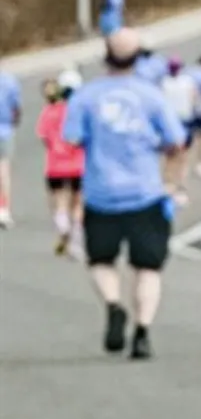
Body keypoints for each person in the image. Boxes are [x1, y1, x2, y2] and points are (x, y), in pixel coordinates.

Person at [63, 29, 187, 359]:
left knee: (101, 260)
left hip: (101, 193)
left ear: (105, 55)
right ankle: (143, 331)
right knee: (148, 267)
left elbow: (72, 138)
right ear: (139, 57)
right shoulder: (151, 96)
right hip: (145, 192)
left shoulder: (85, 97)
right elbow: (176, 140)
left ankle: (114, 305)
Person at [38, 74, 86, 257]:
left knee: (59, 201)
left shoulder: (48, 112)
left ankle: (63, 225)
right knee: (77, 203)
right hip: (77, 164)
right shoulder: (77, 112)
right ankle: (76, 242)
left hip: (55, 165)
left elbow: (44, 138)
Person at [159, 58, 201, 200]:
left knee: (169, 157)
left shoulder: (164, 83)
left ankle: (167, 184)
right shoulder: (187, 82)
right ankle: (181, 186)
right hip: (185, 121)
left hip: (169, 122)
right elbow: (194, 99)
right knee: (183, 157)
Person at [0, 66, 21, 228]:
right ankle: (4, 209)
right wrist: (14, 123)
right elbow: (16, 108)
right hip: (4, 130)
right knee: (4, 170)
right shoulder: (8, 80)